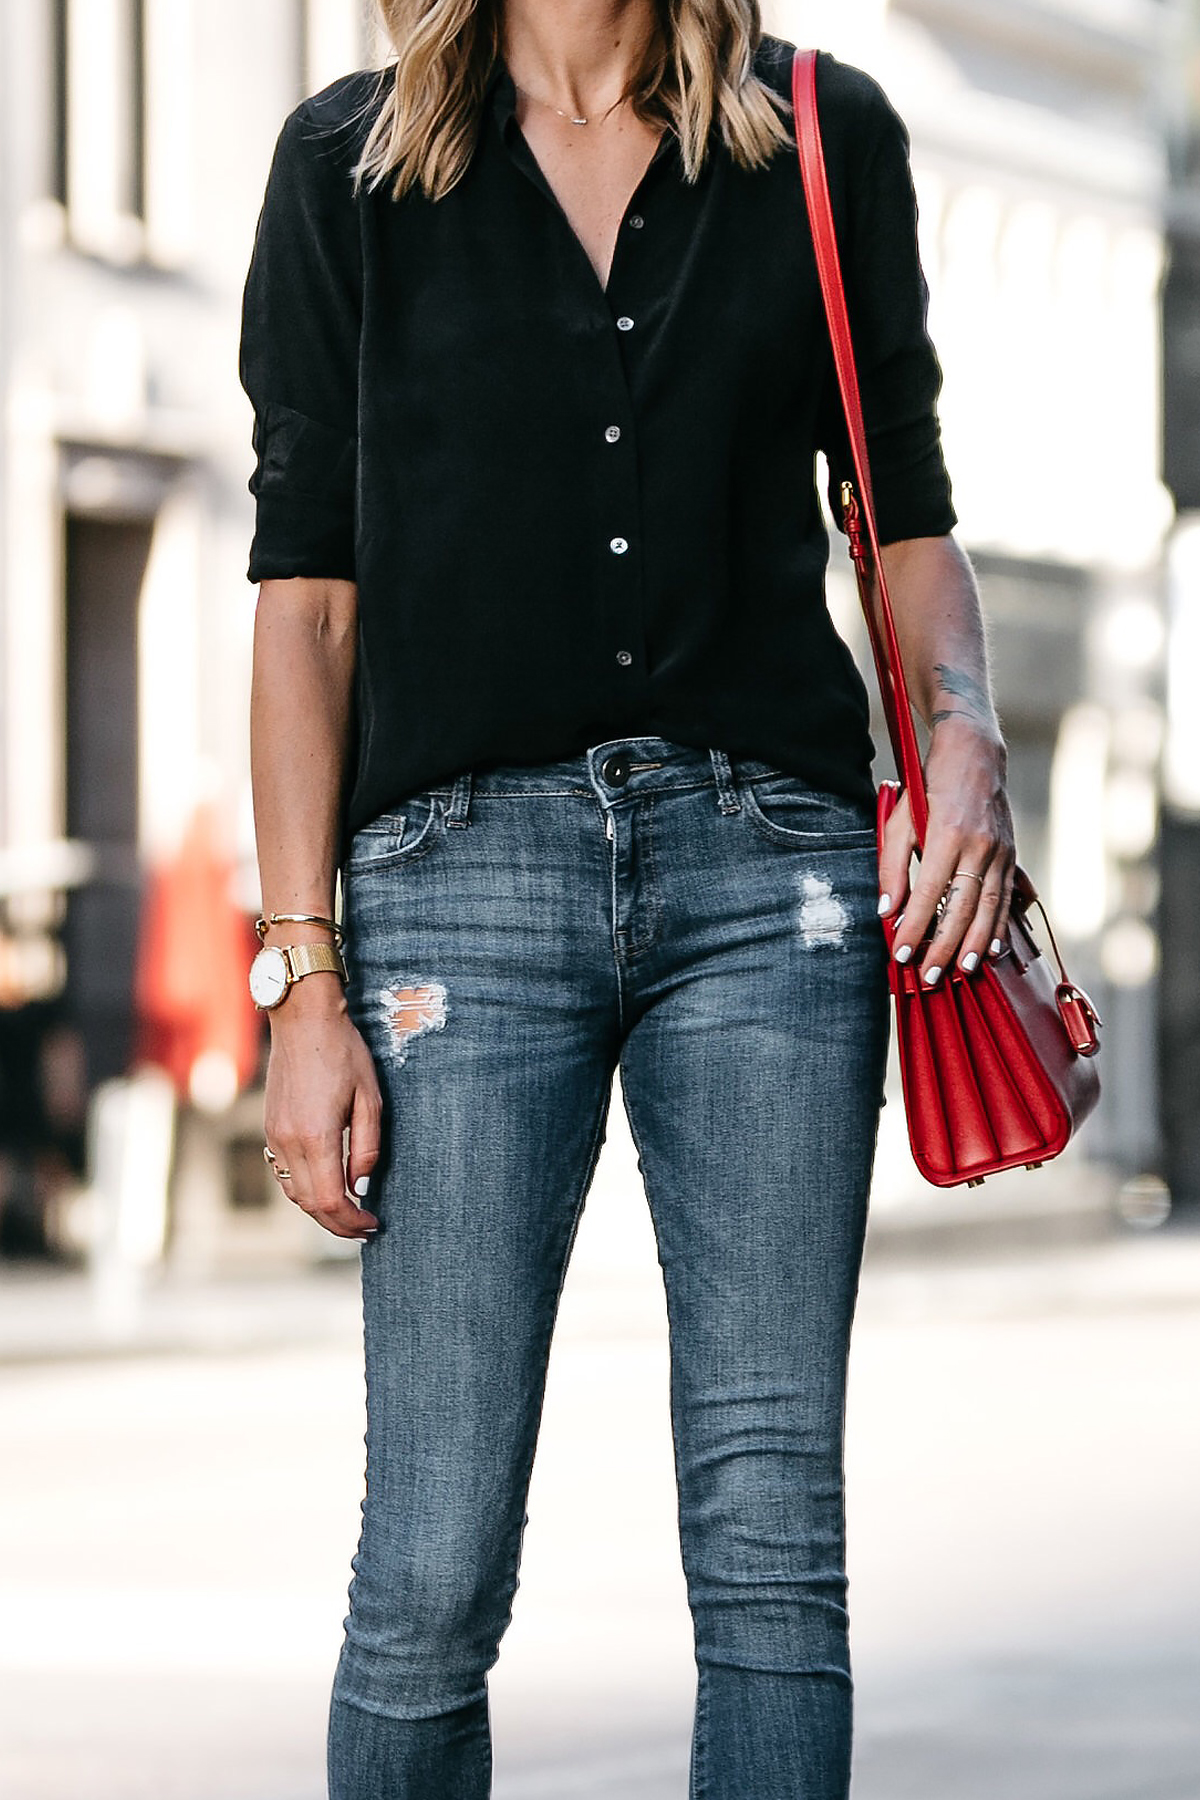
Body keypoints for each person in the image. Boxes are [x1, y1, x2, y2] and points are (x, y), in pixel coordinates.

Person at [239, 2, 1015, 1795]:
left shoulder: (818, 139)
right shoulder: (349, 169)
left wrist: (964, 730)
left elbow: (906, 515)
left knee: (770, 1559)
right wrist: (303, 985)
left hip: (772, 885)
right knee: (430, 1566)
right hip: (453, 892)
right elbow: (308, 599)